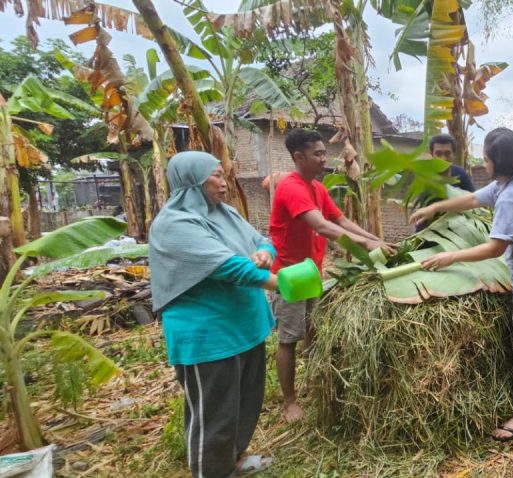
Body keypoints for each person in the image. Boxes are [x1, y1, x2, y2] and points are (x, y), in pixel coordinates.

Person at [409, 127, 513, 441]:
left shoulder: (511, 197)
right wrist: (435, 207)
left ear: (498, 161)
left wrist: (450, 257)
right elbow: (473, 199)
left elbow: (495, 247)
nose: (483, 164)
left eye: (485, 159)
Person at [150, 151, 278, 477]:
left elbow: (261, 240)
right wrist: (281, 283)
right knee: (214, 415)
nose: (225, 183)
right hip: (209, 336)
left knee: (244, 404)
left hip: (245, 327)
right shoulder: (173, 224)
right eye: (217, 176)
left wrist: (265, 251)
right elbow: (228, 266)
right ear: (193, 181)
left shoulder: (225, 213)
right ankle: (212, 471)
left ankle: (233, 459)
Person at [269, 128, 394, 423]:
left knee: (313, 332)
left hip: (312, 272)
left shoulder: (318, 188)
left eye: (325, 152)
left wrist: (374, 237)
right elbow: (322, 226)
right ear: (299, 157)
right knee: (289, 338)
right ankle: (289, 402)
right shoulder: (291, 187)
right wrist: (368, 244)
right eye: (318, 154)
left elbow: (340, 219)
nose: (325, 159)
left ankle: (314, 386)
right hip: (288, 275)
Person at [414, 133, 477, 232]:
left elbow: (473, 201)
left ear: (453, 155)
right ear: (432, 154)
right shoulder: (424, 175)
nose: (443, 158)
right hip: (427, 230)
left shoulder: (461, 174)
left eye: (447, 153)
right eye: (438, 153)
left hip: (454, 232)